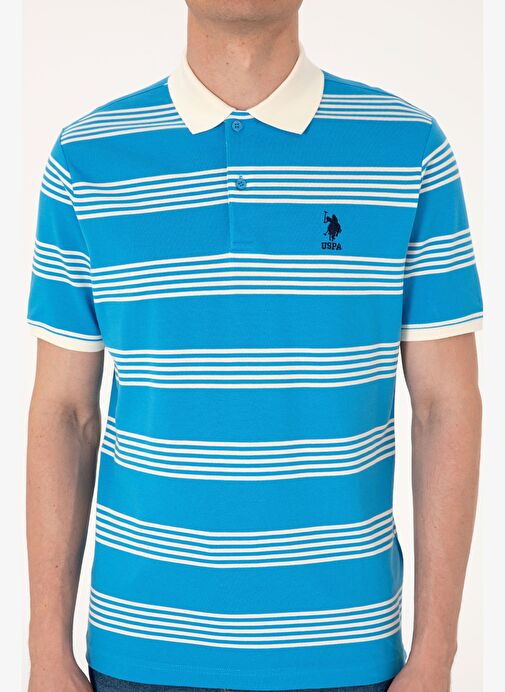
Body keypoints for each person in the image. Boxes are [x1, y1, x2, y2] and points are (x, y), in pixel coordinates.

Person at [26, 1, 483, 691]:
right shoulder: (86, 158)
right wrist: (45, 653)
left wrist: (435, 656)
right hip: (138, 649)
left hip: (346, 650)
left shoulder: (408, 148)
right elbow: (65, 412)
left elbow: (445, 407)